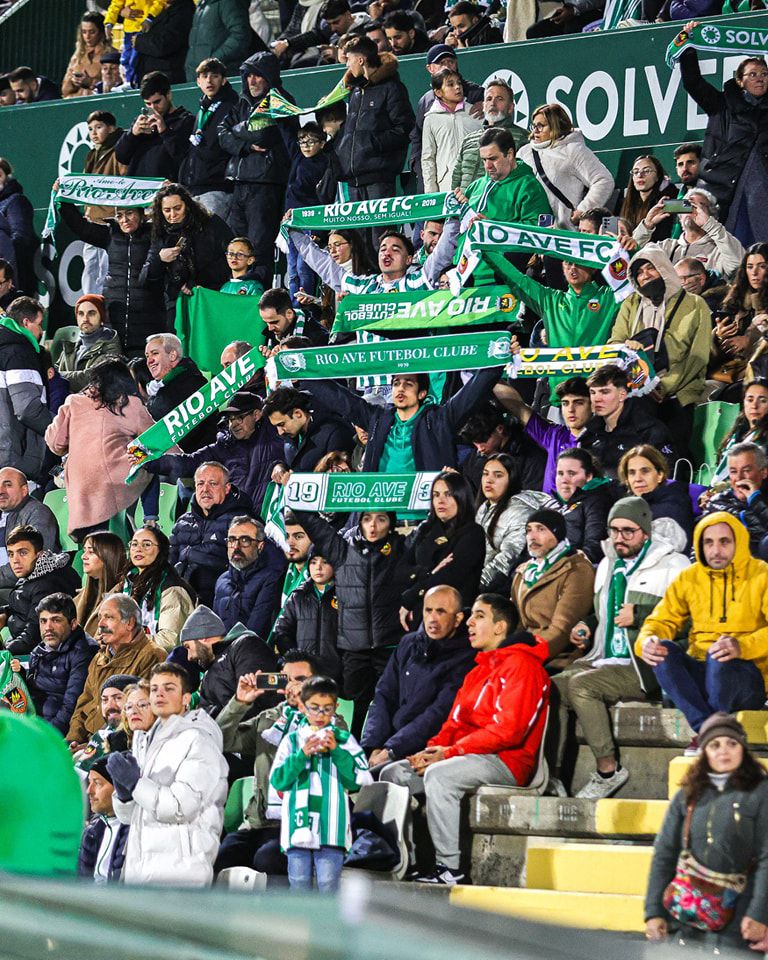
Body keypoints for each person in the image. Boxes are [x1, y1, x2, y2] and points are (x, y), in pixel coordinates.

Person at [381, 594, 550, 885]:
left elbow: (509, 731)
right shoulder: (478, 670)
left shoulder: (524, 666)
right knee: (393, 773)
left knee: (440, 776)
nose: (469, 622)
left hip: (508, 761)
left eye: (479, 616)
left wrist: (449, 753)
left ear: (500, 627)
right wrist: (429, 750)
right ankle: (403, 860)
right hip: (465, 755)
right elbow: (453, 723)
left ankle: (449, 869)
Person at [553, 497, 690, 799]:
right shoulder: (606, 565)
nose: (619, 538)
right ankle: (552, 776)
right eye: (614, 530)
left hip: (646, 664)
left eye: (628, 531)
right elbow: (604, 611)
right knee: (548, 687)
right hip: (604, 657)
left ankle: (607, 770)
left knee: (582, 686)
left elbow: (690, 619)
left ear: (645, 532)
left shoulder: (675, 564)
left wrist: (640, 615)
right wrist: (588, 624)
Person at [637, 513, 768, 747]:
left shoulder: (762, 574)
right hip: (703, 671)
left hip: (748, 676)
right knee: (662, 649)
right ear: (700, 544)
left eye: (724, 541)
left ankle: (709, 733)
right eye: (709, 542)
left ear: (738, 541)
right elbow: (661, 620)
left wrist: (742, 646)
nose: (716, 550)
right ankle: (708, 729)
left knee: (718, 654)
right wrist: (647, 640)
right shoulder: (689, 577)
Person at [644, 713, 768, 950]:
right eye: (715, 745)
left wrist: (760, 914)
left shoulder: (761, 792)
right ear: (705, 752)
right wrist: (653, 912)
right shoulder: (688, 794)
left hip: (740, 915)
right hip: (685, 911)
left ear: (743, 749)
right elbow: (665, 853)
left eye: (732, 744)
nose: (724, 751)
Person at [290, 508, 410, 734]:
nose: (373, 526)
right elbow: (313, 524)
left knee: (390, 705)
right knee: (355, 708)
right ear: (360, 522)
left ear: (390, 523)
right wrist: (296, 490)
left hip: (389, 646)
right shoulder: (342, 550)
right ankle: (350, 753)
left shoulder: (401, 549)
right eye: (367, 519)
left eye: (381, 519)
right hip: (354, 650)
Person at [109, 661, 228, 887]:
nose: (159, 695)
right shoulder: (147, 742)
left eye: (169, 688)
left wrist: (135, 784)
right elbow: (131, 816)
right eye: (154, 689)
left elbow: (180, 808)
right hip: (142, 868)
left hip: (181, 872)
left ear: (185, 698)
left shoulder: (200, 740)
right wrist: (124, 795)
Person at [214, 651, 322, 873]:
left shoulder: (330, 717)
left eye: (301, 680)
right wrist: (239, 702)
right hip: (259, 822)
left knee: (267, 859)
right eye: (287, 679)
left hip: (303, 823)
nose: (293, 686)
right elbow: (220, 741)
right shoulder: (269, 718)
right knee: (222, 856)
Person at [301, 366, 501, 477]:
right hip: (381, 518)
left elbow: (474, 391)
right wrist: (300, 371)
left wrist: (499, 357)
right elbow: (338, 397)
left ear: (422, 393)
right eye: (396, 383)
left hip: (424, 518)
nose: (400, 389)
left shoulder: (440, 419)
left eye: (408, 383)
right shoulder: (377, 418)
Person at [271, 675, 372, 892]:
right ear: (303, 707)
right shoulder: (291, 741)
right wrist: (301, 755)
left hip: (331, 827)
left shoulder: (344, 740)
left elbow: (355, 782)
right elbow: (278, 780)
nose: (320, 715)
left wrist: (336, 752)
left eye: (327, 709)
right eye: (314, 708)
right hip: (297, 827)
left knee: (328, 885)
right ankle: (302, 926)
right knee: (298, 884)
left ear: (336, 707)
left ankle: (328, 926)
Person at [363, 584, 475, 766]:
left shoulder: (466, 656)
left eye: (441, 612)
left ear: (458, 619)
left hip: (422, 748)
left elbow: (438, 714)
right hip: (387, 744)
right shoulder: (408, 644)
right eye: (428, 610)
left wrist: (391, 750)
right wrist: (373, 746)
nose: (432, 619)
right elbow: (384, 695)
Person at [45, 359, 155, 542]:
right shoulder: (131, 403)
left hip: (81, 481)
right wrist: (182, 462)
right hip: (119, 475)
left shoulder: (73, 402)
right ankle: (151, 520)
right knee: (152, 465)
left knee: (94, 539)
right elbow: (154, 440)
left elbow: (55, 443)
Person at [679, 23, 768, 247]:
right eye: (753, 74)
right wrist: (687, 44)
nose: (760, 78)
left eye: (765, 74)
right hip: (721, 191)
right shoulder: (721, 105)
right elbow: (693, 82)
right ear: (740, 81)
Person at [218, 52, 294, 286]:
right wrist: (245, 142)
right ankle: (235, 295)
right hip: (239, 183)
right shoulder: (241, 103)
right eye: (248, 75)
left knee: (258, 250)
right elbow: (221, 134)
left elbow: (263, 133)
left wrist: (237, 132)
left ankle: (259, 300)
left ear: (269, 77)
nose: (251, 81)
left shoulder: (279, 99)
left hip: (266, 185)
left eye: (258, 76)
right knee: (235, 247)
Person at [141, 390, 282, 513]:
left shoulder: (274, 434)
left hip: (270, 521)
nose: (234, 424)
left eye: (239, 417)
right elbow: (188, 462)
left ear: (257, 415)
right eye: (230, 420)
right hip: (236, 521)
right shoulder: (222, 447)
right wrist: (145, 460)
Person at [57, 198, 164, 357]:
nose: (124, 220)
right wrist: (64, 200)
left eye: (129, 213)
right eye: (119, 215)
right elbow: (80, 227)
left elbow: (173, 221)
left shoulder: (156, 235)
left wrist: (167, 194)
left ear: (142, 214)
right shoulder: (110, 234)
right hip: (115, 319)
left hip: (148, 319)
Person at [453, 127, 552, 286]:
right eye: (484, 159)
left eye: (493, 158)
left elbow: (538, 232)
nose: (487, 166)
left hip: (502, 280)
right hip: (465, 278)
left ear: (510, 154)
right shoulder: (475, 187)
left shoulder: (529, 187)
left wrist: (493, 228)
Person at [66, 594, 166, 744]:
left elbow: (138, 717)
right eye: (100, 617)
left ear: (130, 623)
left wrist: (93, 747)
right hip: (89, 744)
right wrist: (72, 741)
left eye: (108, 617)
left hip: (118, 747)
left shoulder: (152, 656)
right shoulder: (99, 658)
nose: (100, 624)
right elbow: (83, 705)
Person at [334, 37, 414, 220]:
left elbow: (404, 128)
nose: (347, 65)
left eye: (349, 60)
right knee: (359, 244)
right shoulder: (354, 92)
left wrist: (372, 143)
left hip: (379, 179)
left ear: (361, 60)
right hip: (353, 181)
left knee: (381, 238)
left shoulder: (392, 88)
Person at [401, 472, 486, 627]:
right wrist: (431, 572)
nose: (440, 500)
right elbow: (403, 569)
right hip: (418, 616)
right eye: (436, 495)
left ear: (461, 497)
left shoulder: (473, 533)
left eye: (448, 494)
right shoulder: (426, 529)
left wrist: (411, 596)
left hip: (453, 620)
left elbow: (449, 577)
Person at [141, 182, 233, 326]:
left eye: (177, 208)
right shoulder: (159, 232)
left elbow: (230, 256)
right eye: (167, 210)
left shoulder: (210, 222)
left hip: (210, 296)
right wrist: (160, 259)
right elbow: (145, 279)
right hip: (176, 301)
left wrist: (196, 283)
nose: (172, 215)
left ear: (188, 205)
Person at [511, 508, 595, 660]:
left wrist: (526, 656)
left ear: (557, 533)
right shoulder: (524, 572)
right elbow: (517, 625)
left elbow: (562, 629)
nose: (532, 537)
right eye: (528, 530)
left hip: (557, 656)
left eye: (541, 529)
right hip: (526, 651)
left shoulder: (576, 570)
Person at [517, 103, 614, 231]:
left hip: (560, 233)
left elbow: (604, 180)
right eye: (534, 125)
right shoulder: (524, 152)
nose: (535, 130)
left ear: (556, 125)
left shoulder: (573, 150)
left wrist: (582, 210)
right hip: (526, 230)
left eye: (541, 126)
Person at [169, 462, 254, 606]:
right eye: (200, 484)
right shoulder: (183, 521)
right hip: (179, 598)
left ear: (227, 488)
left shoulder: (242, 522)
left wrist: (192, 554)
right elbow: (169, 560)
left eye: (213, 484)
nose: (205, 489)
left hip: (220, 601)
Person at [178, 604, 279, 716]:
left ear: (203, 637)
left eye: (188, 647)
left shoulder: (245, 646)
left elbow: (258, 699)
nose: (189, 657)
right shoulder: (207, 675)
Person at [475, 452, 555, 593]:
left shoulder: (519, 511)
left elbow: (507, 559)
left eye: (498, 475)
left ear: (511, 479)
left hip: (501, 588)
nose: (489, 480)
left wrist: (474, 587)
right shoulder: (484, 507)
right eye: (485, 474)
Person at [409, 43, 483, 193]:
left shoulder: (477, 94)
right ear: (430, 68)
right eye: (441, 63)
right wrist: (418, 168)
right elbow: (419, 140)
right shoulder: (426, 102)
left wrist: (487, 104)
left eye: (451, 61)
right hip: (442, 181)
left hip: (476, 182)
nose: (447, 66)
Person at [20, 593, 98, 734]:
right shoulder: (39, 650)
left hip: (54, 735)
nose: (47, 627)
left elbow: (71, 707)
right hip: (33, 725)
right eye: (43, 621)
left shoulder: (83, 653)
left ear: (73, 623)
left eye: (55, 620)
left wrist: (46, 737)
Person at [633, 188, 744, 283]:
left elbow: (738, 265)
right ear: (680, 216)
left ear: (711, 215)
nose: (690, 209)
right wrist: (646, 226)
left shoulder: (718, 251)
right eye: (685, 205)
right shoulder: (666, 246)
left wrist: (710, 225)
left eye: (697, 206)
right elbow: (630, 256)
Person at [1, 526, 80, 656]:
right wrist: (5, 613)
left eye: (23, 553)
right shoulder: (35, 572)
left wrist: (4, 651)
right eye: (11, 554)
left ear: (39, 554)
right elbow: (25, 604)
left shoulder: (47, 586)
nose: (15, 560)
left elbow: (32, 636)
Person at [584, 364, 675, 477]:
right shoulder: (588, 434)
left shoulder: (649, 431)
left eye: (605, 392)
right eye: (593, 392)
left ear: (622, 395)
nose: (597, 399)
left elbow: (667, 477)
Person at [178, 58, 240, 221]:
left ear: (224, 79)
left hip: (217, 188)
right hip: (196, 188)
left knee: (213, 239)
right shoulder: (202, 109)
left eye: (214, 76)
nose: (209, 80)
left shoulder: (231, 106)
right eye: (204, 76)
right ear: (198, 81)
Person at [116, 527, 196, 652]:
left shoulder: (172, 590)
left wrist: (126, 640)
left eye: (147, 544)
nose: (138, 549)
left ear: (161, 550)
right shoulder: (128, 582)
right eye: (134, 544)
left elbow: (170, 641)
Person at [0, 297, 52, 484]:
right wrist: (59, 429)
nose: (41, 332)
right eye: (39, 325)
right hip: (12, 459)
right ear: (26, 323)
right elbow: (28, 410)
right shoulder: (18, 352)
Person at [213, 515, 286, 636]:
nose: (236, 547)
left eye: (245, 540)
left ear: (260, 546)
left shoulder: (272, 578)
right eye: (231, 540)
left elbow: (256, 630)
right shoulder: (222, 580)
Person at [271, 553, 340, 681]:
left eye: (325, 562)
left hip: (337, 674)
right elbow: (282, 632)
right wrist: (296, 659)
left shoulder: (345, 595)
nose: (318, 567)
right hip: (302, 675)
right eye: (313, 562)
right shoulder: (298, 596)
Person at [144, 333, 217, 452]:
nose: (149, 361)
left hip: (192, 462)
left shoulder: (193, 383)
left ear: (172, 355)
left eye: (155, 353)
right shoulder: (159, 388)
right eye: (147, 356)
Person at [114, 71, 194, 180]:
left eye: (157, 102)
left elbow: (185, 159)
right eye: (148, 104)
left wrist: (164, 131)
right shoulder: (141, 122)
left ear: (168, 95)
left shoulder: (186, 121)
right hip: (139, 190)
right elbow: (121, 157)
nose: (153, 108)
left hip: (166, 191)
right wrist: (132, 134)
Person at [80, 113, 128, 295]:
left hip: (110, 222)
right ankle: (90, 308)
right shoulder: (92, 154)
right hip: (92, 220)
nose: (94, 132)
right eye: (91, 129)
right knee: (91, 271)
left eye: (99, 127)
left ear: (112, 128)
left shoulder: (119, 151)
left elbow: (125, 183)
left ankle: (105, 312)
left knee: (107, 272)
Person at [451, 79, 526, 192]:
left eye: (499, 99)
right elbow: (456, 179)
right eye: (489, 99)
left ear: (511, 107)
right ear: (484, 106)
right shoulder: (469, 139)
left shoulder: (523, 138)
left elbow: (522, 181)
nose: (493, 103)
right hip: (464, 206)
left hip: (498, 207)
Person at [263, 387, 354, 476]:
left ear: (298, 414)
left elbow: (340, 476)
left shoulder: (335, 432)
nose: (280, 432)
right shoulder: (292, 435)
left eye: (282, 424)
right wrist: (280, 466)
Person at [618, 444, 694, 549]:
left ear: (660, 475)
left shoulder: (674, 502)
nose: (638, 478)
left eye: (645, 471)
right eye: (632, 473)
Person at [421, 68, 483, 195]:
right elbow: (428, 159)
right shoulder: (430, 119)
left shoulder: (476, 113)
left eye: (459, 83)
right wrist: (431, 193)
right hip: (446, 185)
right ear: (438, 92)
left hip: (477, 184)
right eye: (450, 84)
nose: (457, 87)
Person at [0, 467, 58, 596]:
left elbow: (33, 563)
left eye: (8, 485)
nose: (1, 491)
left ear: (24, 490)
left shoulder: (38, 513)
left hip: (24, 587)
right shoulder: (4, 514)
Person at [703, 442, 768, 557]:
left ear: (763, 472)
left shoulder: (762, 503)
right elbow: (699, 548)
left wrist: (756, 501)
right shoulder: (718, 503)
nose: (739, 478)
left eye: (746, 470)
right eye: (733, 471)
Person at [554, 447, 617, 564]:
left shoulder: (598, 501)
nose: (564, 480)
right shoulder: (551, 504)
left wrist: (558, 565)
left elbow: (594, 548)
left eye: (571, 473)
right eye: (560, 473)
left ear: (589, 476)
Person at [55, 294, 123, 392]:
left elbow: (88, 379)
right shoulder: (71, 347)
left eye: (91, 313)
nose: (85, 319)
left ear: (102, 318)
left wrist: (56, 375)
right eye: (81, 313)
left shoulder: (111, 347)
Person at [78, 756, 130, 883]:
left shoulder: (136, 831)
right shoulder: (93, 831)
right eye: (89, 783)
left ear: (118, 787)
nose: (88, 791)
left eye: (97, 783)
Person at [722, 245, 768, 383]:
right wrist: (719, 336)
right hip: (731, 369)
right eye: (750, 266)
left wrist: (749, 341)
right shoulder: (737, 298)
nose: (754, 272)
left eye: (762, 266)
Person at [104, 0, 170, 86]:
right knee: (126, 58)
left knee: (135, 59)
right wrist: (109, 23)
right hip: (129, 29)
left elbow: (160, 2)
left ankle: (136, 82)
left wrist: (149, 18)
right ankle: (128, 82)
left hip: (145, 29)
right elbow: (115, 4)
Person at [75, 533, 128, 640]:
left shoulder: (121, 598)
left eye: (90, 552)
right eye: (84, 550)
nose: (83, 556)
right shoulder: (81, 597)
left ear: (108, 556)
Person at [184, 0, 253, 82]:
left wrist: (214, 60)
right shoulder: (203, 4)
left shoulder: (227, 3)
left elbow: (240, 35)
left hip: (219, 76)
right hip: (198, 77)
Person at [132, 0, 197, 84]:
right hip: (154, 78)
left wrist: (139, 41)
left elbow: (165, 44)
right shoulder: (161, 8)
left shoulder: (184, 11)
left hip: (167, 79)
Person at [618, 155, 676, 239]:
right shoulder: (623, 204)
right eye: (636, 172)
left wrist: (668, 188)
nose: (640, 175)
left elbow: (687, 206)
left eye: (647, 171)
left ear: (658, 176)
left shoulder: (669, 201)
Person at [62, 12, 113, 98]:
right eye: (84, 32)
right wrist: (72, 81)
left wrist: (91, 82)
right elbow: (64, 91)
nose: (87, 36)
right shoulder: (77, 56)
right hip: (74, 103)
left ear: (101, 32)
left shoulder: (111, 55)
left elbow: (115, 87)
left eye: (92, 32)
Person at [259, 287, 329, 351]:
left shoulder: (317, 337)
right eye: (266, 322)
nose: (270, 328)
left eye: (274, 322)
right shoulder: (272, 332)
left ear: (289, 314)